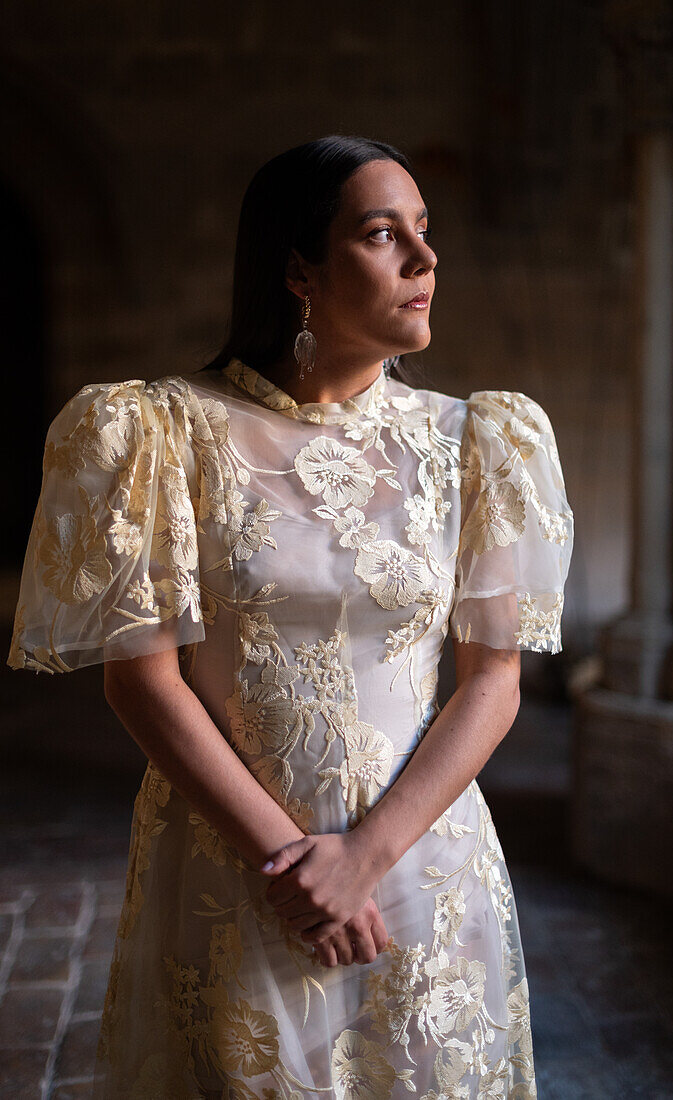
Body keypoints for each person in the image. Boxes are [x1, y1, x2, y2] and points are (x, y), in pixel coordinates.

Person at [7, 134, 574, 1098]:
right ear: (300, 271)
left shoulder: (479, 441)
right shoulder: (160, 432)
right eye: (384, 235)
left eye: (424, 233)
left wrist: (366, 856)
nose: (426, 261)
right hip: (238, 869)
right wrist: (287, 860)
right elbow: (141, 680)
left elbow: (495, 679)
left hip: (423, 864)